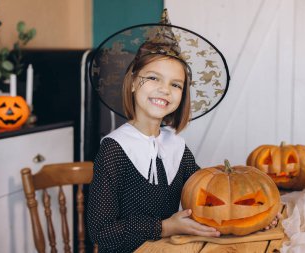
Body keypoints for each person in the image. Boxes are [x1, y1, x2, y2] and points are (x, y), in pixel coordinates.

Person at [87, 9, 230, 253]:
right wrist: (164, 227)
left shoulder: (176, 147)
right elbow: (102, 232)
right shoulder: (115, 149)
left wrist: (259, 215)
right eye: (153, 78)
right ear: (133, 82)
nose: (165, 90)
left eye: (175, 84)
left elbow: (207, 196)